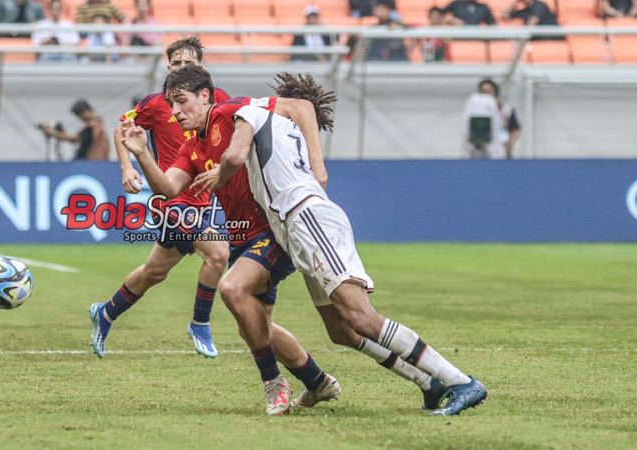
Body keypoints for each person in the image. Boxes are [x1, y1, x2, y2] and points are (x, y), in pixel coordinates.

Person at [190, 72, 488, 416]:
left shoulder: (253, 111)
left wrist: (221, 175)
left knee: (361, 317)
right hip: (297, 228)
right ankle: (428, 383)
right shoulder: (286, 130)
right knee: (340, 330)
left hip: (306, 218)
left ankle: (460, 382)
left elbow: (234, 157)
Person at [120, 65, 345, 415]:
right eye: (170, 105)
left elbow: (301, 107)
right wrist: (141, 153)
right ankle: (318, 382)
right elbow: (167, 188)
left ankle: (274, 386)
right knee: (257, 327)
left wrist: (319, 169)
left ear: (205, 96)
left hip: (276, 227)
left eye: (182, 102)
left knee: (233, 289)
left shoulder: (233, 112)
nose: (175, 112)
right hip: (245, 237)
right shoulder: (192, 147)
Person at [90, 37, 231, 361]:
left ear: (201, 68)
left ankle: (107, 312)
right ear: (168, 68)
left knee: (154, 271)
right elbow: (121, 129)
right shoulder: (156, 104)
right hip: (173, 197)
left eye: (189, 63)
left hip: (205, 199)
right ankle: (200, 323)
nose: (182, 68)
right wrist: (126, 167)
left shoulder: (218, 100)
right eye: (177, 64)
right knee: (218, 254)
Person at [38, 99, 109, 160]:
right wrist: (60, 132)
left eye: (80, 115)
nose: (80, 118)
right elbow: (79, 137)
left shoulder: (95, 125)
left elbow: (74, 138)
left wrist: (53, 133)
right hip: (88, 161)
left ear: (86, 111)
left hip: (92, 162)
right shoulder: (94, 125)